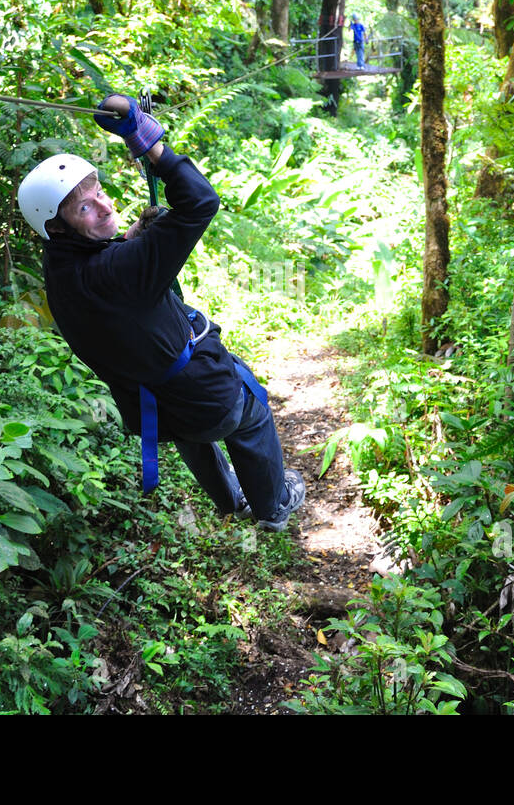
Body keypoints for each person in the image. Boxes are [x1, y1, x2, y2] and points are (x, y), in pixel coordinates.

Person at [17, 94, 306, 532]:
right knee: (251, 416)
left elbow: (105, 278)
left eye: (99, 192)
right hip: (202, 393)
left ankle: (232, 502)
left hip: (152, 403)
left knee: (193, 433)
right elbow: (201, 202)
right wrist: (149, 142)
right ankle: (273, 507)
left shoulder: (60, 267)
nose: (106, 205)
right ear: (56, 226)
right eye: (85, 207)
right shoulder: (121, 272)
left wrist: (133, 241)